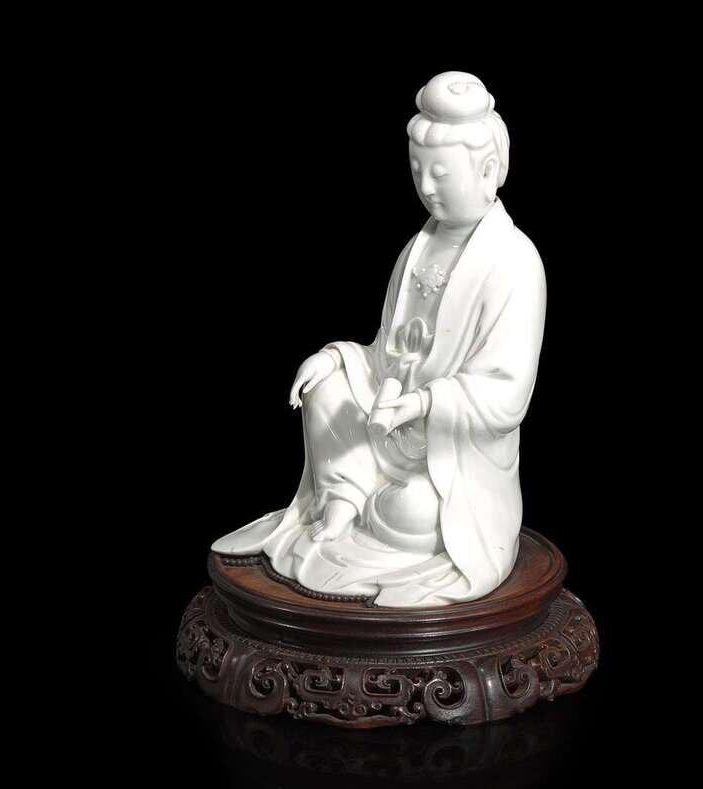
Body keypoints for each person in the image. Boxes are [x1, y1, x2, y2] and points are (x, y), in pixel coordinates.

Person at [212, 72, 546, 607]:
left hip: (450, 455)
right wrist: (337, 359)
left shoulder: (514, 262)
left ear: (488, 170)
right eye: (417, 171)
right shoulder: (417, 249)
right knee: (326, 391)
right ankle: (342, 501)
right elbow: (384, 354)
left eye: (440, 173)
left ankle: (377, 507)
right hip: (387, 425)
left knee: (413, 512)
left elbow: (507, 394)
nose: (426, 187)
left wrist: (421, 403)